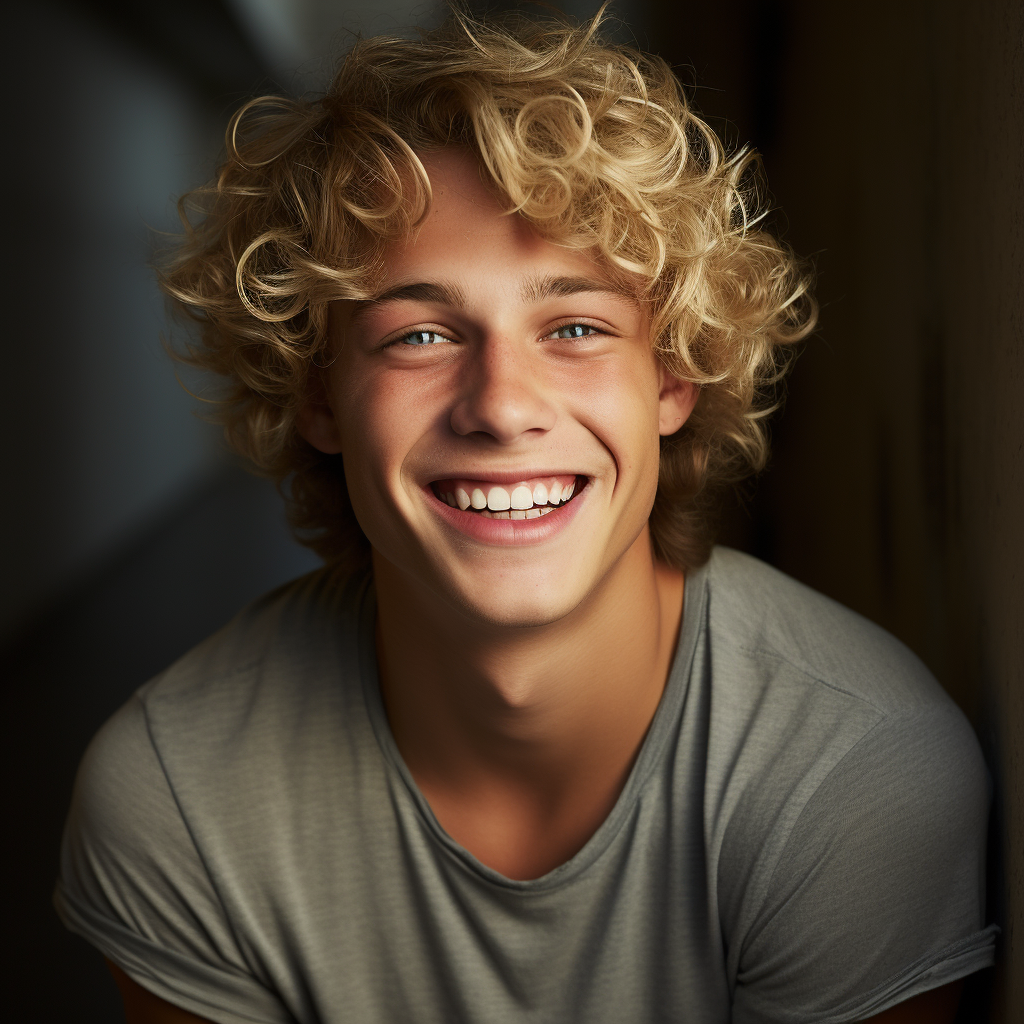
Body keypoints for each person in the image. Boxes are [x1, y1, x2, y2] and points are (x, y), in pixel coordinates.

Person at [54, 7, 996, 1023]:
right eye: (418, 334)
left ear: (672, 376)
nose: (501, 405)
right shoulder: (178, 795)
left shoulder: (852, 770)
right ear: (320, 396)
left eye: (578, 325)